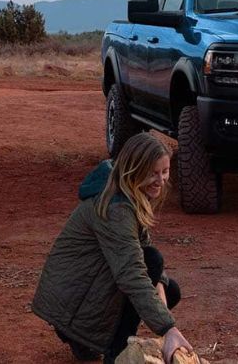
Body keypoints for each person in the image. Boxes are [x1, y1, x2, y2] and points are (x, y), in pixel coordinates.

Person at [32, 133, 193, 362]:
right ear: (133, 170)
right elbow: (131, 273)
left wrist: (159, 284)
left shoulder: (125, 191)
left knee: (168, 289)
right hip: (70, 306)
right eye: (153, 173)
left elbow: (141, 245)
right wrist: (168, 329)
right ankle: (115, 352)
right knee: (150, 263)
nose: (161, 180)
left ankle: (83, 340)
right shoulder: (116, 209)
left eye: (165, 171)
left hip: (78, 296)